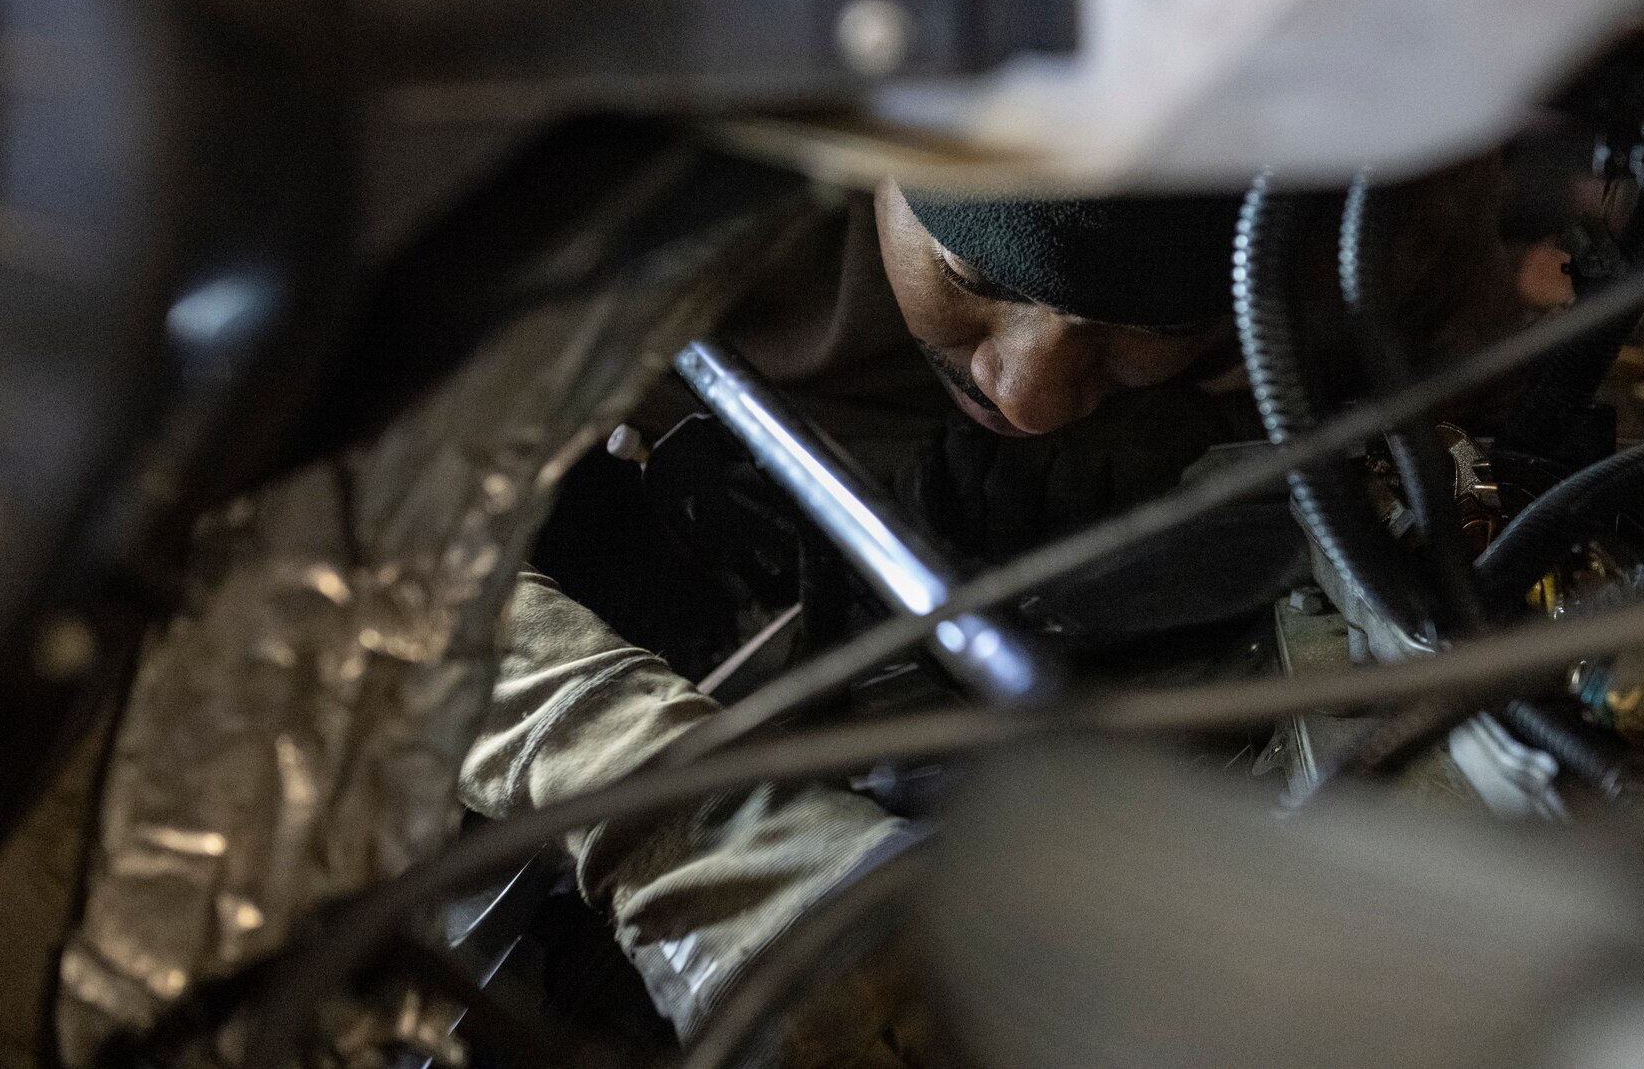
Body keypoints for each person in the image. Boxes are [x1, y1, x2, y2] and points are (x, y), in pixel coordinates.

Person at [460, 164, 1518, 1065]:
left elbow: (1451, 424)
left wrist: (1192, 408)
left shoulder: (1381, 212)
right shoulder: (595, 147)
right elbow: (308, 534)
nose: (1027, 396)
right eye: (970, 280)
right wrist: (676, 824)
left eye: (1138, 331)